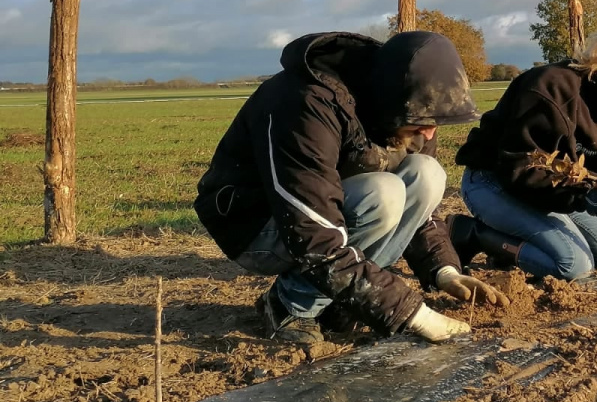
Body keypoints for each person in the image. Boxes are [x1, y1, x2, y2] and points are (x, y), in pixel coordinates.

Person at [194, 31, 506, 346]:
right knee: (383, 194)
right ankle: (289, 306)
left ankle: (338, 302)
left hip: (327, 214)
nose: (428, 134)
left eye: (434, 124)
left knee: (427, 174)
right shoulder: (307, 102)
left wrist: (445, 270)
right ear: (391, 102)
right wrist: (411, 314)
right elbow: (312, 234)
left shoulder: (415, 110)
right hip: (257, 222)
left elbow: (421, 213)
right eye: (420, 125)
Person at [450, 27, 597, 282]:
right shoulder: (550, 88)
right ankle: (473, 234)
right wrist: (583, 196)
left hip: (551, 189)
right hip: (494, 180)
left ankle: (516, 244)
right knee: (573, 264)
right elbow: (517, 168)